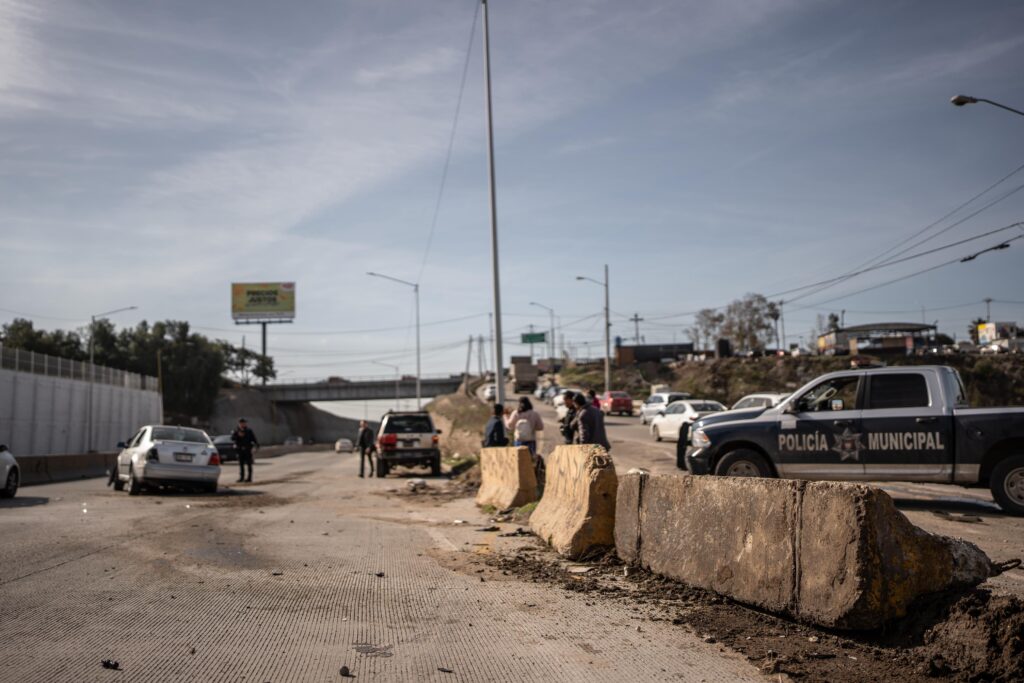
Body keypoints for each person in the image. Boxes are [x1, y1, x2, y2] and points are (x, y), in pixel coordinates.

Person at [231, 418, 259, 482]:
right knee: (241, 464)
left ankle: (249, 478)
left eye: (244, 423)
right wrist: (238, 435)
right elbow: (232, 438)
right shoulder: (236, 431)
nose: (243, 424)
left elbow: (253, 438)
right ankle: (241, 478)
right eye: (241, 423)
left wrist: (257, 445)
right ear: (239, 424)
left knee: (249, 464)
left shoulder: (249, 431)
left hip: (247, 449)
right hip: (240, 450)